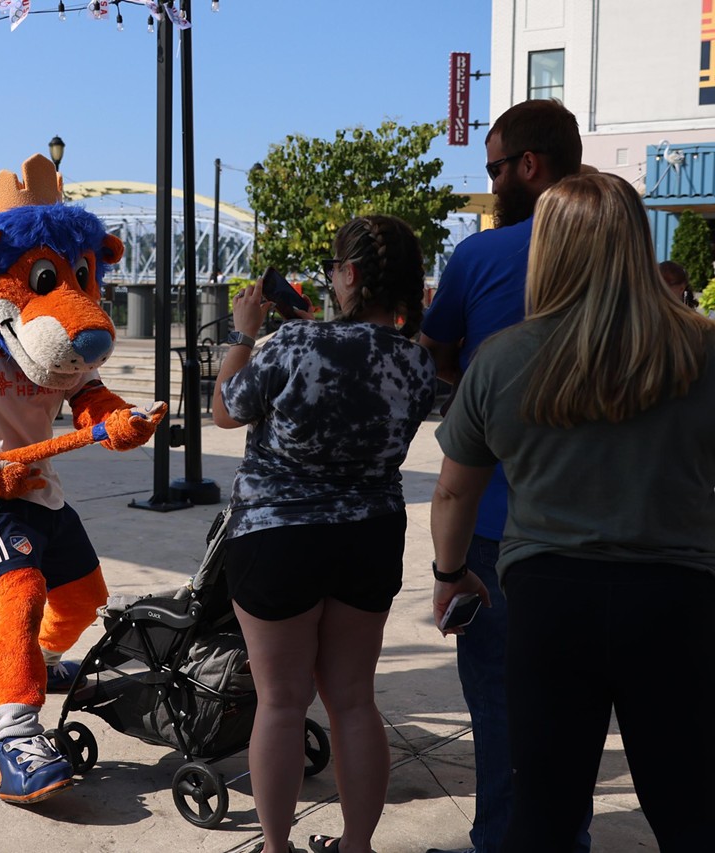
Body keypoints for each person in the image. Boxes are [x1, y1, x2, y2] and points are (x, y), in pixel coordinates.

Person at [431, 172, 715, 852]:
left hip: (549, 600)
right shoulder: (701, 349)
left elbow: (452, 491)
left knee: (545, 812)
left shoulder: (501, 361)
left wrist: (450, 572)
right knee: (691, 809)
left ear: (548, 249)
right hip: (677, 598)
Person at [213, 215, 437, 853]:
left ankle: (277, 847)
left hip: (278, 533)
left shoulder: (293, 345)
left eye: (336, 266)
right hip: (369, 535)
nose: (332, 277)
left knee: (281, 703)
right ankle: (357, 846)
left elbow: (225, 410)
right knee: (355, 701)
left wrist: (243, 332)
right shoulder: (417, 363)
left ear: (353, 275)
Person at [418, 99, 588, 853]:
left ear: (529, 166)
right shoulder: (617, 260)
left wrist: (471, 382)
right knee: (577, 704)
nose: (489, 185)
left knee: (497, 699)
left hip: (497, 524)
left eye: (494, 168)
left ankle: (501, 838)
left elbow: (434, 353)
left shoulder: (481, 256)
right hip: (600, 529)